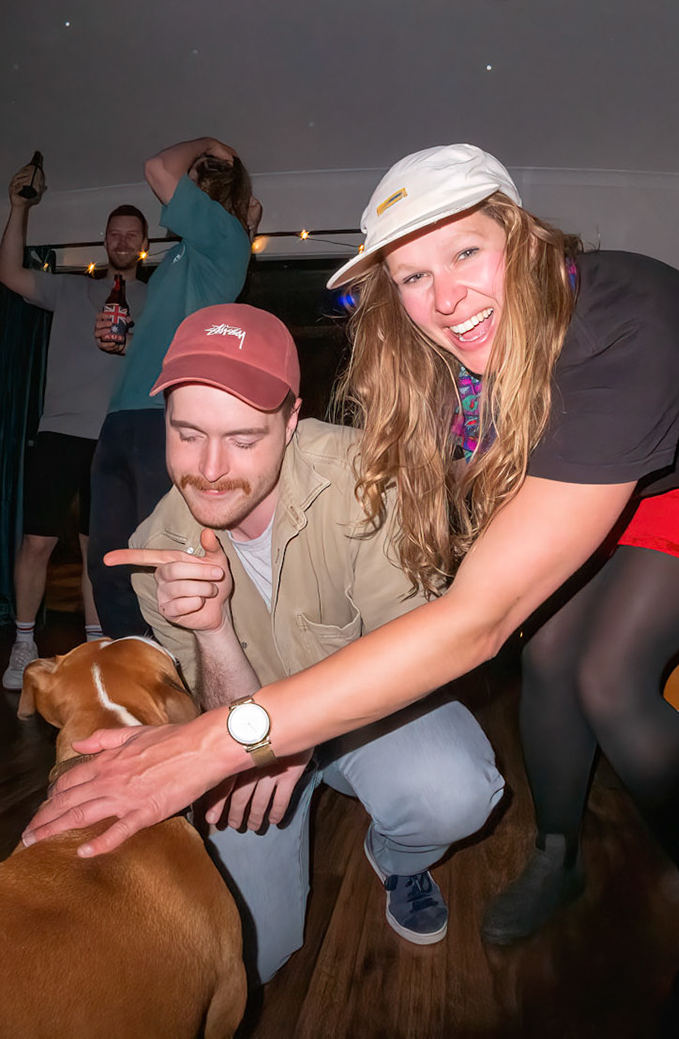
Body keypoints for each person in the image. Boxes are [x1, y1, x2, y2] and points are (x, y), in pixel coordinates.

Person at [26, 144, 679, 1034]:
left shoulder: (625, 329)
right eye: (413, 276)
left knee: (609, 675)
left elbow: (476, 618)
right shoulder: (433, 361)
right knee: (551, 654)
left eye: (466, 252)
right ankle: (557, 853)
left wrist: (215, 744)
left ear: (522, 236)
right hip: (590, 463)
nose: (447, 299)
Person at [107, 304, 504, 983]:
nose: (209, 469)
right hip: (251, 745)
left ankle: (397, 859)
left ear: (292, 423)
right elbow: (222, 720)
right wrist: (212, 631)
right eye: (188, 433)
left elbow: (419, 657)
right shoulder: (158, 548)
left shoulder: (370, 481)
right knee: (251, 956)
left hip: (372, 719)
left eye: (242, 438)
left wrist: (295, 731)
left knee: (452, 791)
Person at [85, 137, 258, 642]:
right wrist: (128, 344)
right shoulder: (185, 255)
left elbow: (157, 167)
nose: (185, 184)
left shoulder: (225, 237)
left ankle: (173, 665)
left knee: (158, 559)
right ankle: (132, 662)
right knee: (108, 563)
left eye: (197, 177)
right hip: (121, 416)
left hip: (161, 417)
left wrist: (206, 142)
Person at [0, 157, 150, 688]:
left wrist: (131, 345)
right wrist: (18, 207)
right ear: (104, 240)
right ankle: (22, 644)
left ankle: (95, 648)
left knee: (96, 553)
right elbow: (9, 274)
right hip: (59, 432)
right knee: (36, 543)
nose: (122, 241)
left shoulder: (155, 300)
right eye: (114, 233)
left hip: (116, 438)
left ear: (143, 245)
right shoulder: (69, 290)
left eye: (132, 235)